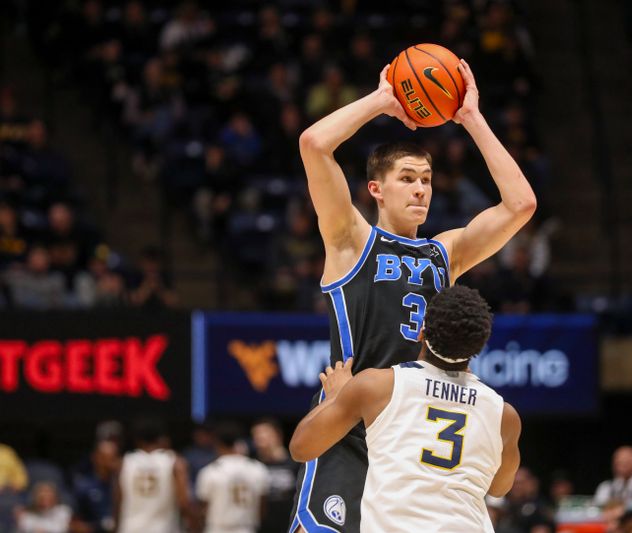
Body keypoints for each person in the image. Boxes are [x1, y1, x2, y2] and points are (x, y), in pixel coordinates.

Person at [291, 57, 536, 532]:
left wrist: (472, 118)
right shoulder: (352, 240)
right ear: (376, 189)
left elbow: (521, 204)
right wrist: (382, 100)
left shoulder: (446, 253)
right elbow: (314, 144)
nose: (420, 189)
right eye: (407, 178)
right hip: (348, 422)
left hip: (405, 434)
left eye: (425, 179)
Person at [289, 286, 522, 532]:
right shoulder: (503, 414)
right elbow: (500, 488)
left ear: (421, 332)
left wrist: (335, 396)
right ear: (479, 345)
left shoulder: (378, 387)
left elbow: (301, 447)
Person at [114, 418, 191, 533]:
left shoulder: (124, 463)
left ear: (136, 439)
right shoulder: (174, 462)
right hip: (164, 528)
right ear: (161, 438)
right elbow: (184, 502)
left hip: (130, 528)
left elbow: (118, 501)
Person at [196, 421, 270, 533]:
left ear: (217, 443)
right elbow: (262, 508)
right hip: (247, 528)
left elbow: (203, 509)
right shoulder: (258, 468)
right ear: (238, 442)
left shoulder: (210, 471)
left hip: (217, 529)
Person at [71, 439, 120, 533]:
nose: (110, 463)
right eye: (106, 458)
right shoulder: (84, 486)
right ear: (95, 458)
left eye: (113, 458)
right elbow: (74, 524)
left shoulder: (123, 485)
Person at [594, 446, 632, 511]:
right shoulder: (606, 487)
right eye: (619, 462)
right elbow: (599, 507)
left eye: (626, 462)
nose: (621, 466)